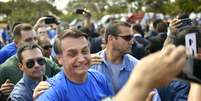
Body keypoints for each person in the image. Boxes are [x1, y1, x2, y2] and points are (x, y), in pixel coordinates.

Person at [36, 28, 114, 100]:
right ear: (59, 59)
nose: (81, 59)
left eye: (84, 51)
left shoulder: (98, 78)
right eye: (72, 54)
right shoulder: (52, 90)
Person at [0, 23, 60, 99]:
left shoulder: (47, 61)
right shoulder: (5, 68)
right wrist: (1, 93)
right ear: (16, 43)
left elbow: (65, 77)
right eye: (28, 40)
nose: (33, 42)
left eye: (35, 39)